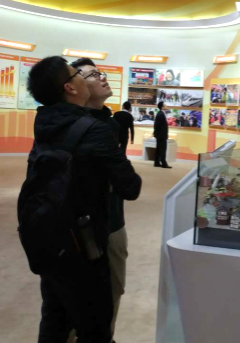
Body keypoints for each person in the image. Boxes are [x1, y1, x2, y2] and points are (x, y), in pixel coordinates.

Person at [26, 56, 142, 343]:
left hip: (51, 231)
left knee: (55, 315)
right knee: (93, 319)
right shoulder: (94, 129)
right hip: (87, 236)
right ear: (71, 87)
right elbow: (130, 186)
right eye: (83, 74)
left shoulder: (45, 121)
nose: (99, 78)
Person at [71, 58, 137, 341]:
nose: (102, 78)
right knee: (73, 298)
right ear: (73, 86)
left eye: (101, 73)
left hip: (113, 221)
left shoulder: (110, 124)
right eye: (92, 75)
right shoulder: (69, 125)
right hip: (79, 226)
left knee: (113, 288)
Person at [154, 101, 172, 168]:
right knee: (162, 149)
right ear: (162, 107)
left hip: (160, 134)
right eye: (165, 105)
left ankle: (156, 162)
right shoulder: (161, 114)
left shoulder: (161, 113)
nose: (166, 106)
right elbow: (157, 125)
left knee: (159, 148)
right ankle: (164, 163)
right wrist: (158, 133)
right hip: (161, 135)